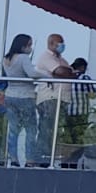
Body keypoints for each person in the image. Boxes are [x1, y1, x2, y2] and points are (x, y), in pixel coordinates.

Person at [0, 34, 45, 167]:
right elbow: (32, 73)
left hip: (10, 95)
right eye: (29, 45)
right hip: (25, 96)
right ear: (23, 46)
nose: (30, 48)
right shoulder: (23, 58)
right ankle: (30, 160)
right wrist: (46, 75)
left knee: (14, 129)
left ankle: (13, 159)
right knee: (31, 129)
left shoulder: (6, 59)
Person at [33, 33, 74, 162]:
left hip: (63, 99)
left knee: (56, 131)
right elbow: (61, 72)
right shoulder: (45, 57)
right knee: (46, 129)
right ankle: (42, 159)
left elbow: (70, 73)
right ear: (51, 44)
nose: (62, 45)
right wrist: (65, 73)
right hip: (50, 98)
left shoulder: (62, 60)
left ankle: (51, 158)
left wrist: (67, 73)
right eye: (59, 43)